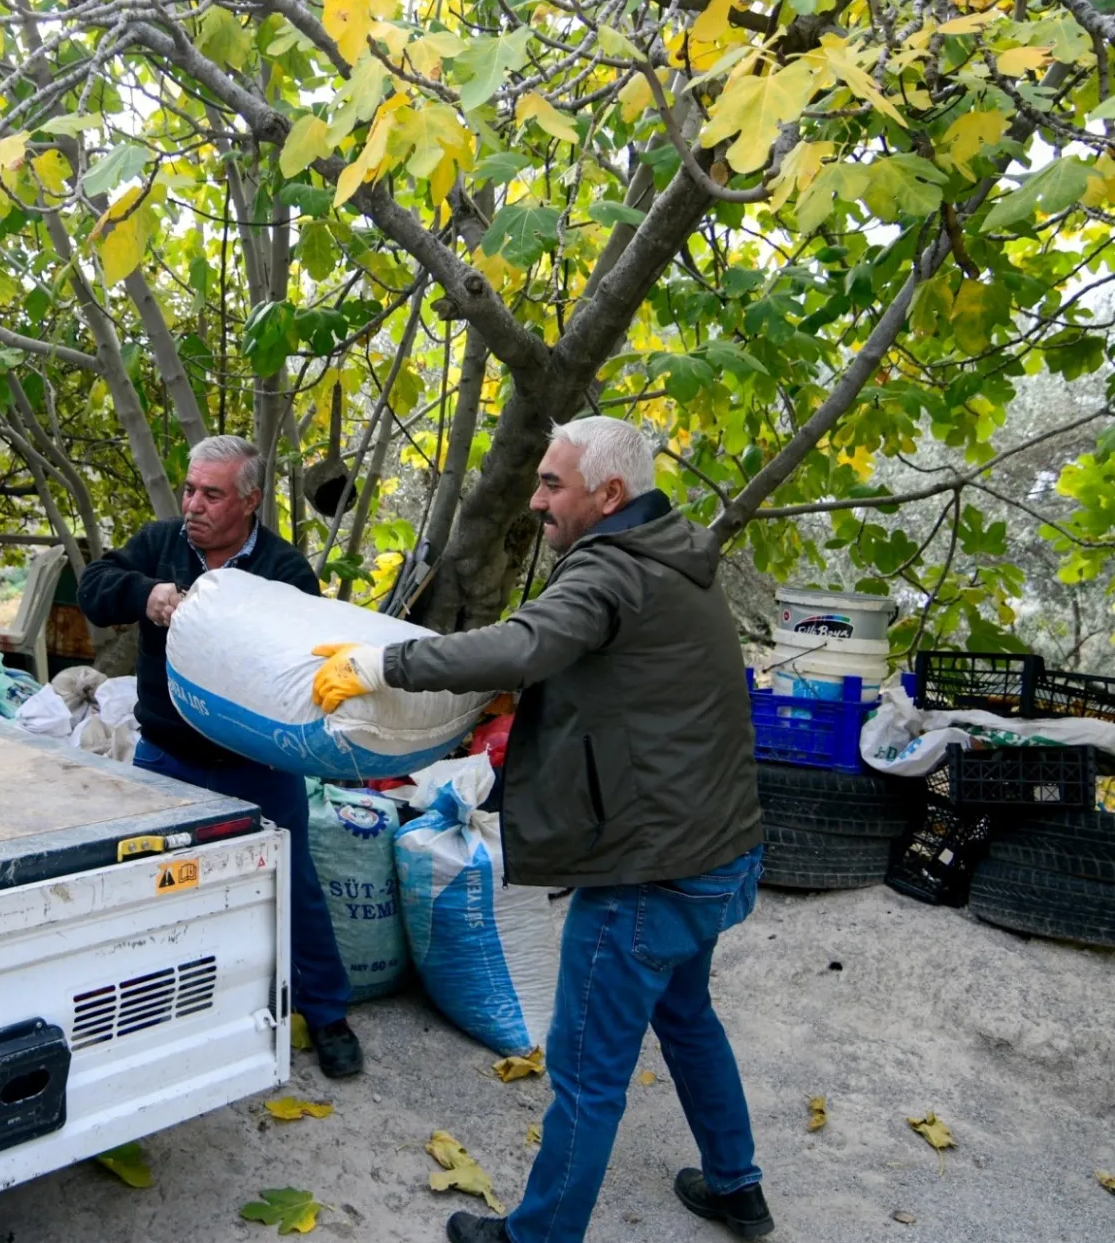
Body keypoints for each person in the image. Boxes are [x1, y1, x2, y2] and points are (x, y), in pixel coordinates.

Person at [310, 416, 770, 1242]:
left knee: (587, 1070)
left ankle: (536, 1237)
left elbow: (524, 645)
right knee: (688, 1013)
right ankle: (737, 1183)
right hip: (716, 847)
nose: (536, 498)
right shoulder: (677, 553)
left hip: (648, 873)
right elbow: (618, 678)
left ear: (610, 494)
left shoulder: (608, 573)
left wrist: (384, 665)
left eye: (553, 483)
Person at [78, 434, 363, 1079]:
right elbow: (94, 585)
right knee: (149, 884)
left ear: (250, 500)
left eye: (212, 493)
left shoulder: (285, 572)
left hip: (257, 768)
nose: (194, 505)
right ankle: (139, 1013)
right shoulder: (162, 545)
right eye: (189, 490)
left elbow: (300, 664)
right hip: (166, 757)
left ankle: (327, 1013)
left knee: (293, 888)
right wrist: (144, 596)